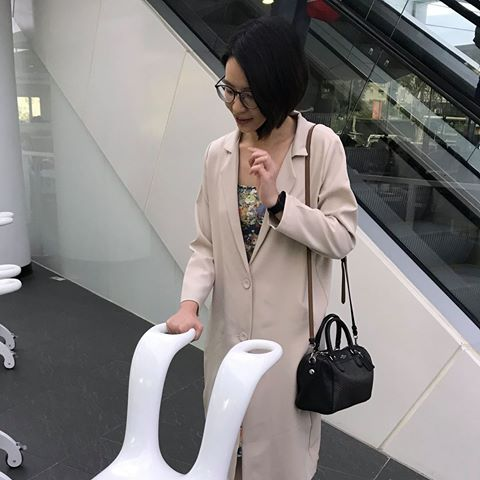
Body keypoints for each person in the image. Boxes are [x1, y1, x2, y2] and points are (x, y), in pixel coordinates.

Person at [166, 16, 358, 480]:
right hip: (228, 340)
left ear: (279, 88)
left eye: (248, 94)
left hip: (287, 349)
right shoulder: (218, 154)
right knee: (227, 455)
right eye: (228, 90)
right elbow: (206, 245)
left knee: (279, 462)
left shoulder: (320, 146)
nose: (236, 105)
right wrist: (189, 304)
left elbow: (342, 235)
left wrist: (279, 204)